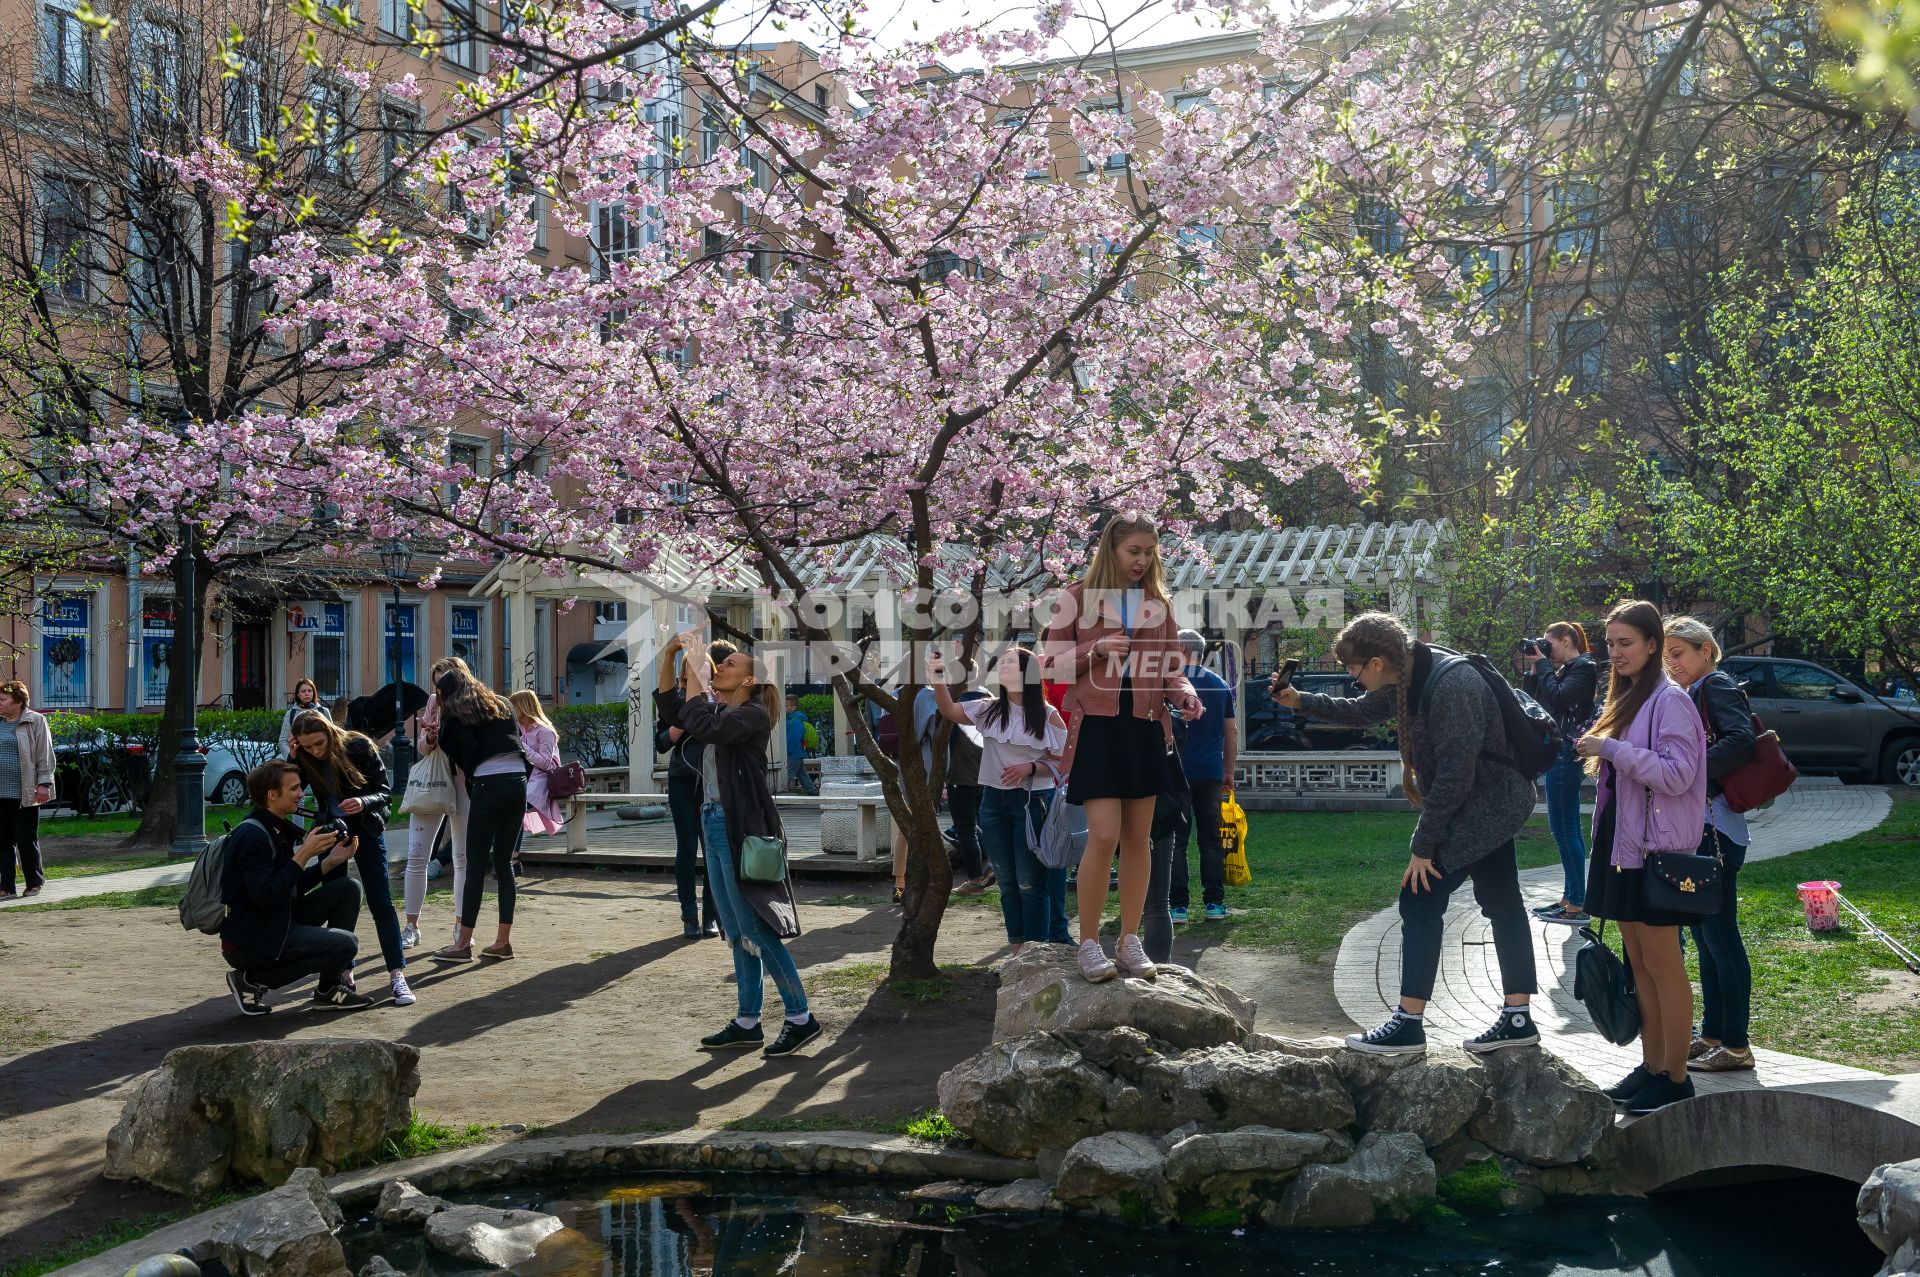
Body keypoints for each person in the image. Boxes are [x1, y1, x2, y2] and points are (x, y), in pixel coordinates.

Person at [1274, 611, 1540, 1056]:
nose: (1354, 679)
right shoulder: (1410, 675)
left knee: (1420, 897)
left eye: (1353, 670)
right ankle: (1518, 1018)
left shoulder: (1452, 685)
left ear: (1377, 661)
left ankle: (1409, 1024)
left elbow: (1456, 777)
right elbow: (1360, 712)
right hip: (1486, 801)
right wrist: (1300, 700)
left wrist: (1424, 847)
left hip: (1489, 805)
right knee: (1502, 900)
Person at [1042, 515, 1204, 984]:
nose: (1142, 561)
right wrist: (1096, 650)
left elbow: (1172, 667)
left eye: (1149, 552)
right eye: (1134, 551)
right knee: (1105, 835)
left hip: (1147, 728)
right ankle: (1089, 943)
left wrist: (1184, 695)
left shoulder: (1158, 603)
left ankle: (1129, 940)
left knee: (1141, 839)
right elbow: (1050, 667)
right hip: (1098, 729)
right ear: (1110, 549)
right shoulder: (1075, 598)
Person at [1575, 599, 1708, 1115]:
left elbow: (1676, 775)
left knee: (1663, 966)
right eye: (1610, 644)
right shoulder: (1631, 697)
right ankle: (1654, 1068)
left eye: (1625, 643)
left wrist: (1610, 750)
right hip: (1623, 847)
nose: (1616, 653)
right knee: (1640, 967)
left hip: (1656, 852)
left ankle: (1676, 1078)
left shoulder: (1670, 700)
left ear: (1653, 644)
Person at [663, 631, 822, 1057]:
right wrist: (670, 656)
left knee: (755, 927)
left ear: (750, 681)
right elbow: (674, 709)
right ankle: (748, 1021)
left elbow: (702, 721)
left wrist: (698, 665)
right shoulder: (725, 709)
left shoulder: (751, 715)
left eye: (731, 664)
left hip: (737, 829)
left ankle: (800, 1017)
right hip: (713, 820)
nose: (722, 667)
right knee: (735, 931)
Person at [1664, 615, 1758, 1075]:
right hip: (1705, 828)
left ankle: (1738, 1045)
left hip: (1718, 830)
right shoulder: (1693, 692)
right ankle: (1714, 1034)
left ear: (1705, 650)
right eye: (1667, 656)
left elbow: (1742, 740)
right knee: (1705, 938)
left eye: (1678, 653)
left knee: (1721, 938)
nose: (1672, 663)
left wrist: (1690, 780)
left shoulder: (1715, 684)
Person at [931, 646, 1067, 953]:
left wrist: (1031, 767)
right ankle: (1018, 949)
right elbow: (950, 711)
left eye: (1010, 662)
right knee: (1006, 881)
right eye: (1002, 661)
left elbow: (1064, 762)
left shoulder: (1047, 714)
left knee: (1030, 881)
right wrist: (937, 678)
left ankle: (1037, 950)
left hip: (1033, 803)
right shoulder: (989, 708)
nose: (1003, 665)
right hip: (993, 803)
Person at [220, 760, 373, 1014]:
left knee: (348, 888)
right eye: (294, 789)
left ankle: (328, 989)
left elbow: (289, 887)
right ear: (272, 795)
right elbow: (266, 897)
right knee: (346, 945)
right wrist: (304, 853)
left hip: (276, 920)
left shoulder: (274, 828)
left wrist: (330, 862)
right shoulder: (252, 835)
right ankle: (250, 980)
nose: (301, 794)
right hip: (252, 940)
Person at [289, 711, 414, 1006]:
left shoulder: (358, 746)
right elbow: (290, 787)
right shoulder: (305, 757)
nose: (316, 751)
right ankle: (344, 973)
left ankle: (397, 974)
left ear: (330, 732)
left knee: (380, 902)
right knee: (339, 901)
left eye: (319, 743)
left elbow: (384, 792)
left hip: (367, 830)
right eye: (308, 746)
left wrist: (362, 801)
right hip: (333, 834)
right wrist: (295, 758)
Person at [430, 665, 529, 964]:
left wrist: (467, 767)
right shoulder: (502, 702)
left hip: (488, 783)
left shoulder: (454, 714)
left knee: (475, 866)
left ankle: (462, 944)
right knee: (504, 864)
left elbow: (465, 750)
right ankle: (502, 942)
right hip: (518, 781)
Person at [1521, 622, 1600, 926]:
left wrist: (1542, 665)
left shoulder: (1584, 667)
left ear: (1566, 641)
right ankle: (1569, 899)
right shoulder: (1566, 669)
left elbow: (1560, 698)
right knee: (1561, 827)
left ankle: (1577, 905)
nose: (1544, 650)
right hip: (1559, 751)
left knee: (1565, 828)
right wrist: (1534, 670)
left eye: (1548, 644)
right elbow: (1535, 704)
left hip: (1568, 752)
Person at [656, 638, 732, 939]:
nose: (697, 674)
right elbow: (661, 742)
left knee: (712, 847)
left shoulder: (718, 702)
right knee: (687, 848)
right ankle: (689, 914)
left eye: (703, 669)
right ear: (683, 676)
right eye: (691, 670)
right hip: (682, 780)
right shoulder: (675, 703)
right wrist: (681, 726)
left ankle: (712, 916)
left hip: (712, 783)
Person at [402, 657, 472, 950]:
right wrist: (429, 735)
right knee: (416, 856)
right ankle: (411, 926)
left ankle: (461, 925)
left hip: (463, 781)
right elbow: (421, 748)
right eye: (438, 682)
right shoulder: (434, 702)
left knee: (462, 858)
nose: (442, 687)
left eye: (447, 680)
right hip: (432, 781)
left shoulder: (474, 701)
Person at [1170, 630, 1237, 924]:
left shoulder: (1169, 684)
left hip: (1176, 772)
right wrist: (1229, 770)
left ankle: (1178, 906)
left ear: (1182, 649)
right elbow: (1231, 731)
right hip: (1211, 772)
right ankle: (1214, 903)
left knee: (1177, 841)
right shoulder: (1219, 683)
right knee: (1210, 840)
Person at [0, 681, 54, 899]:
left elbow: (45, 755)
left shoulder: (35, 721)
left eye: (2, 699)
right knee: (1, 841)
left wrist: (44, 784)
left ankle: (34, 882)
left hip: (24, 793)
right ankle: (6, 887)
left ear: (18, 701)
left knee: (25, 839)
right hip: (0, 794)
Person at [512, 690, 565, 838]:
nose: (511, 711)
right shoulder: (520, 729)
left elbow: (546, 763)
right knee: (512, 813)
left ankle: (513, 854)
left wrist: (522, 745)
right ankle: (513, 854)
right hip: (524, 778)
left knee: (514, 811)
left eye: (513, 707)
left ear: (524, 707)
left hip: (541, 781)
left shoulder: (545, 731)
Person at [277, 678, 330, 755]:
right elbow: (283, 740)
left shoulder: (323, 711)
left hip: (321, 756)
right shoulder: (291, 713)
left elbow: (331, 736)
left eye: (310, 691)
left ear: (314, 692)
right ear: (298, 694)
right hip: (300, 759)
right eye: (303, 691)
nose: (307, 693)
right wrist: (291, 757)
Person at [782, 695, 817, 796]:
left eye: (786, 706)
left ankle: (782, 791)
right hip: (797, 753)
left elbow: (792, 739)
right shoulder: (791, 720)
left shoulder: (795, 721)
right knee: (801, 773)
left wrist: (786, 752)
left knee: (788, 775)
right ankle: (811, 790)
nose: (783, 708)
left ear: (793, 707)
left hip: (793, 753)